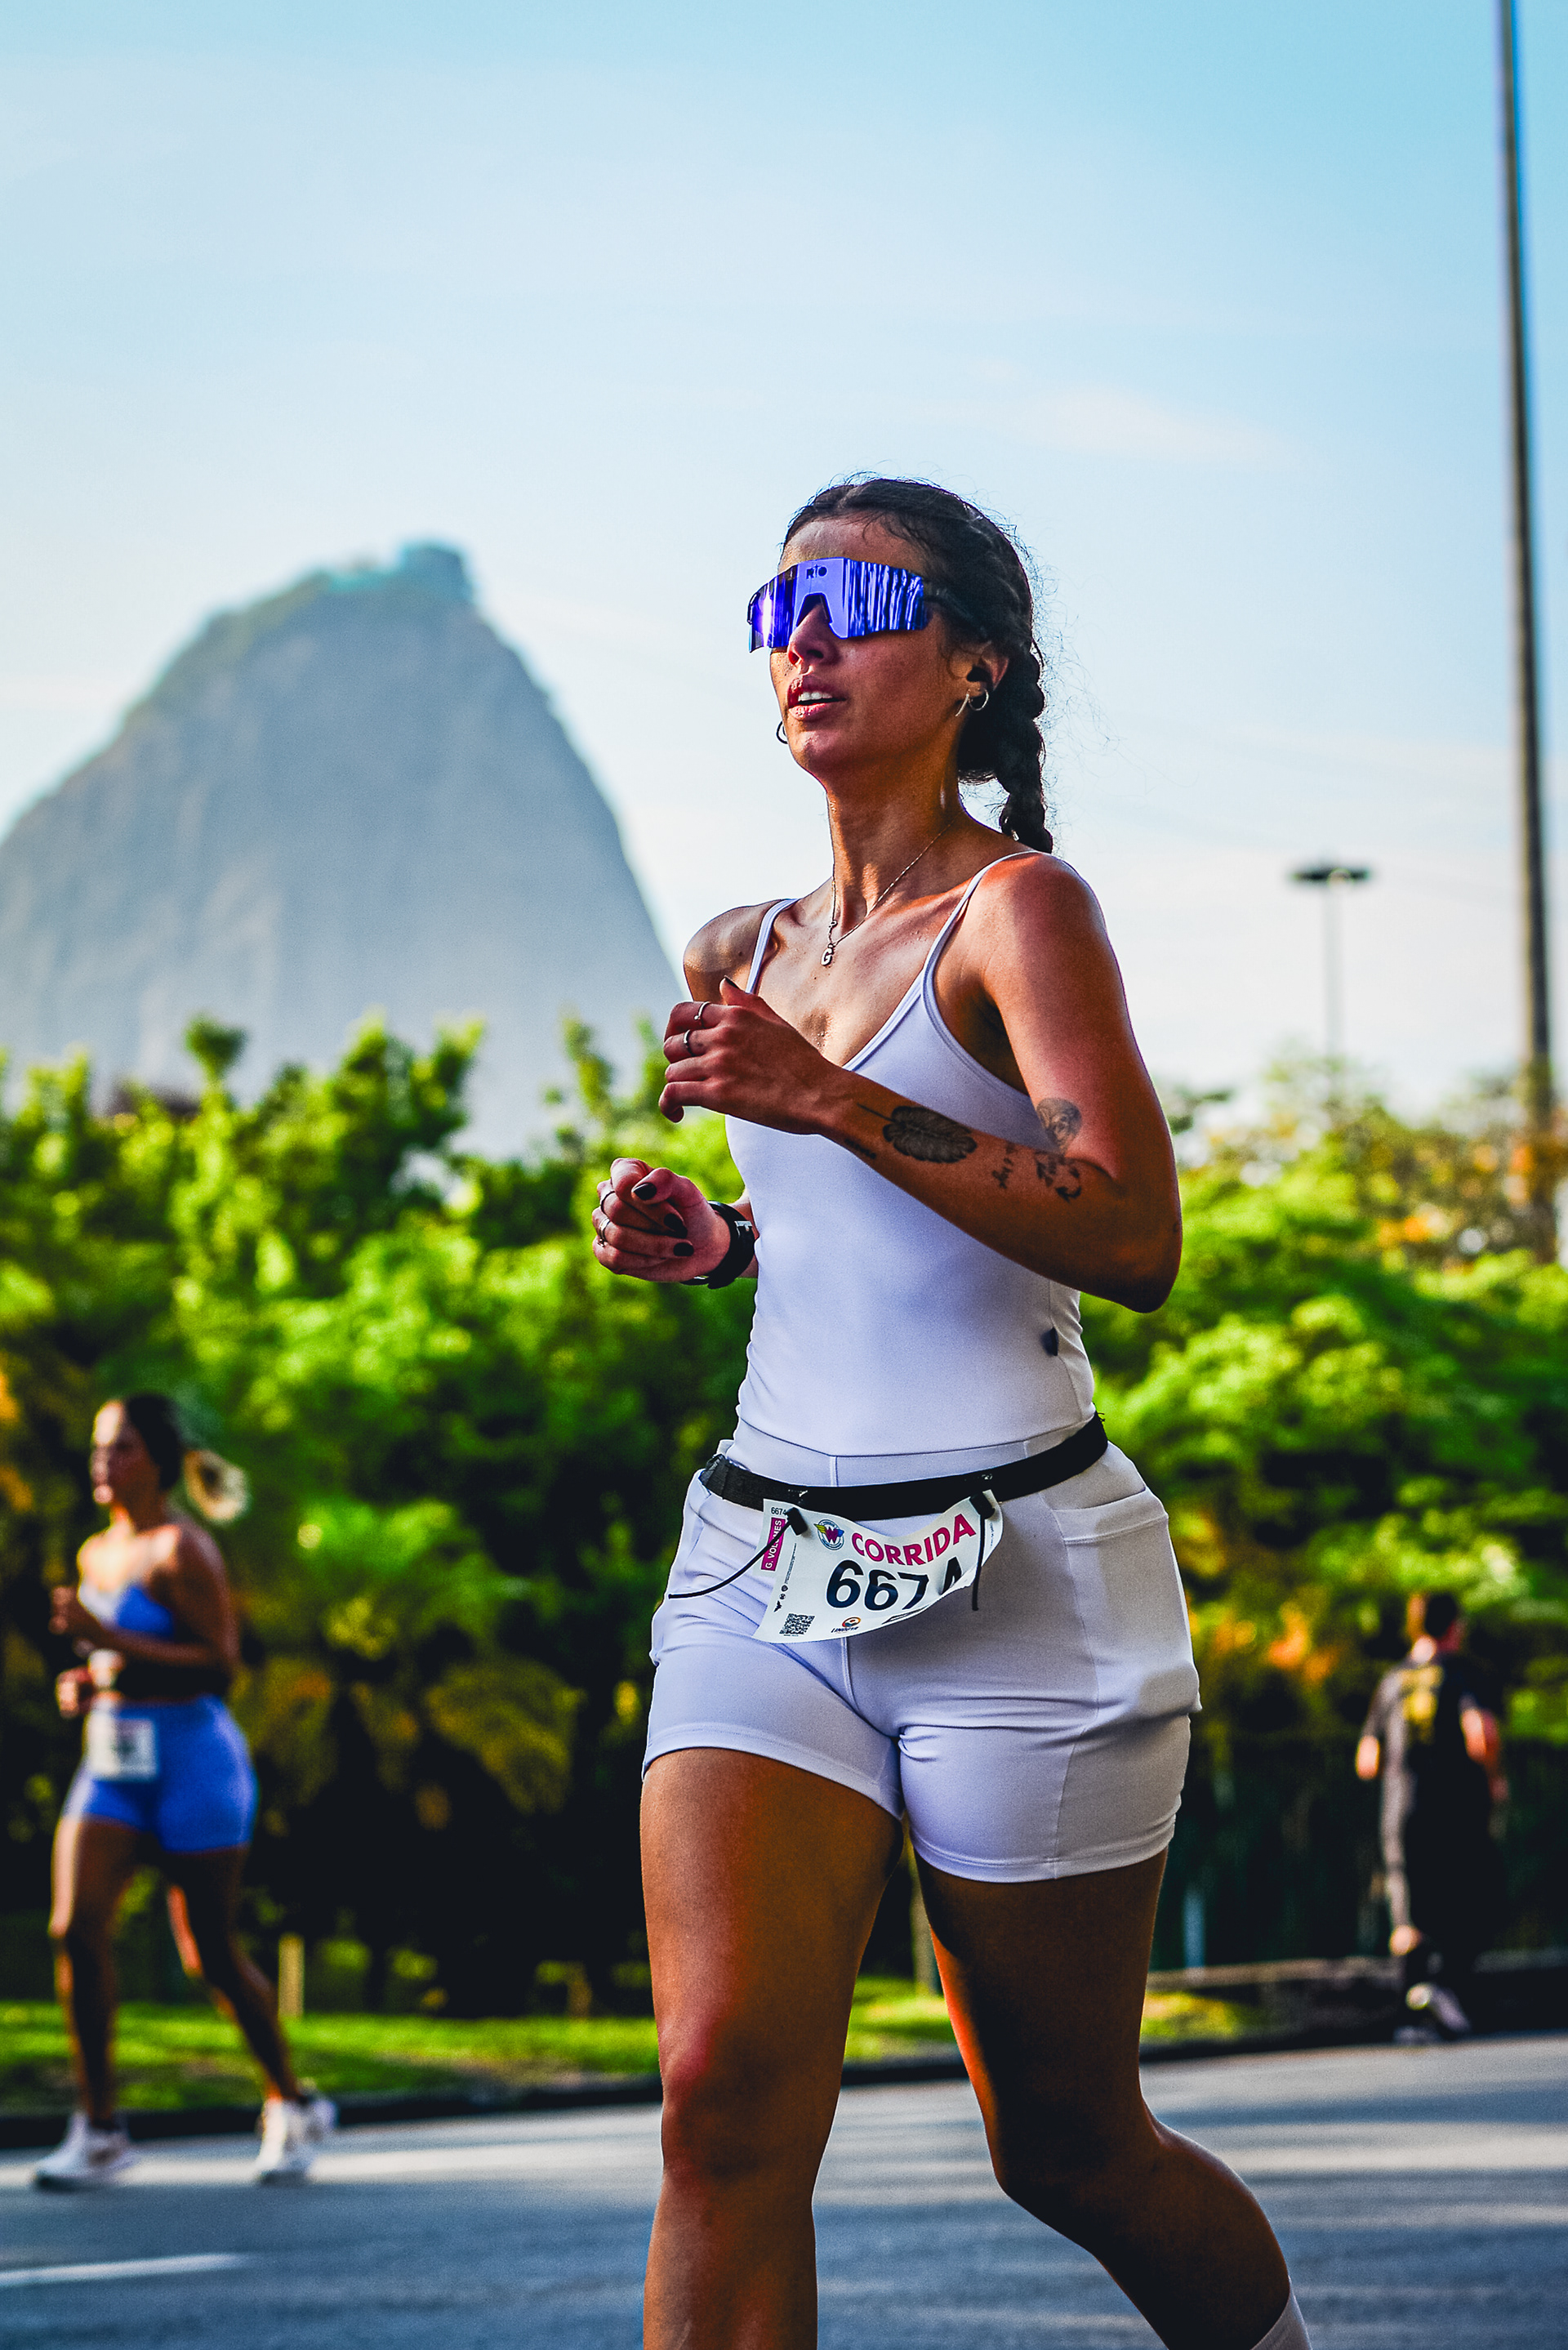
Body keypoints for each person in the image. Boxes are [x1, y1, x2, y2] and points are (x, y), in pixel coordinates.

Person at [593, 478, 1312, 2350]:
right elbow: (853, 1242)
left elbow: (1130, 1233)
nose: (805, 636)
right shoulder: (733, 949)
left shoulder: (1020, 914)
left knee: (1066, 2147)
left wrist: (826, 1101)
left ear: (977, 664)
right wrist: (721, 1240)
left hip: (1018, 1583)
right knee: (719, 2105)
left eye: (854, 599)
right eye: (778, 605)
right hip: (766, 1565)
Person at [34, 1392, 334, 2188]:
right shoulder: (96, 1554)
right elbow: (118, 1661)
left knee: (209, 1955)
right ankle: (99, 2129)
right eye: (100, 1449)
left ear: (158, 1463)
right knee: (74, 1927)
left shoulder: (182, 1551)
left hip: (194, 1764)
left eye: (121, 1448)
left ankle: (291, 2100)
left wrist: (108, 1642)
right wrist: (89, 1681)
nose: (104, 1462)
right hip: (114, 1764)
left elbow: (220, 1665)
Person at [1356, 1590, 1506, 2039]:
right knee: (1464, 1899)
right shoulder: (1464, 1673)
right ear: (1454, 1626)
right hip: (1457, 1808)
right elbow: (1480, 1733)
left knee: (1408, 1910)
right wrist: (1494, 1778)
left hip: (1402, 1808)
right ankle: (1451, 1996)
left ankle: (1411, 2012)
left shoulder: (1392, 1680)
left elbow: (1367, 1760)